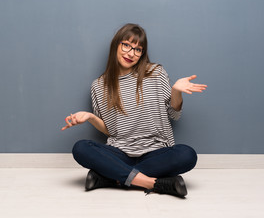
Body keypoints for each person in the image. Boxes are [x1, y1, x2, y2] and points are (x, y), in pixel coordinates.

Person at [61, 23, 207, 198]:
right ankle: (154, 183)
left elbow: (174, 114)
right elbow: (111, 131)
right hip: (120, 153)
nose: (131, 53)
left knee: (187, 155)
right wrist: (90, 117)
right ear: (116, 45)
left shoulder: (155, 73)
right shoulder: (99, 86)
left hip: (156, 153)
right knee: (81, 148)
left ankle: (110, 178)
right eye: (127, 45)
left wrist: (176, 92)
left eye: (138, 49)